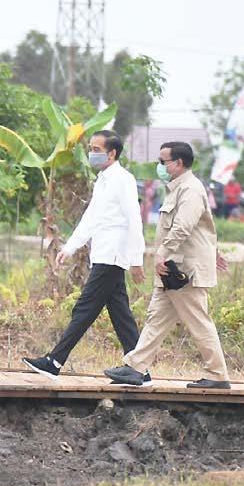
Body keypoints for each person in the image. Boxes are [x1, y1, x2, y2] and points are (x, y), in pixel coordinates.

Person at [104, 141, 231, 390]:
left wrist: (162, 253)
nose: (159, 167)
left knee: (198, 321)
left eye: (162, 162)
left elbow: (183, 226)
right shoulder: (177, 189)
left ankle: (217, 375)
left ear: (178, 163)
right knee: (156, 319)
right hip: (173, 271)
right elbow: (203, 228)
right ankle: (136, 368)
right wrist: (212, 250)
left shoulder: (190, 190)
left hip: (185, 272)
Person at [22, 129, 145, 379]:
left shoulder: (123, 179)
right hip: (102, 253)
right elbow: (91, 219)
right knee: (121, 314)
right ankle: (140, 369)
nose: (91, 154)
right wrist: (70, 247)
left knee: (85, 308)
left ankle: (54, 361)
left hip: (113, 255)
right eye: (90, 149)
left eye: (97, 150)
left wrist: (136, 259)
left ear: (112, 153)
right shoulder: (103, 181)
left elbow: (135, 220)